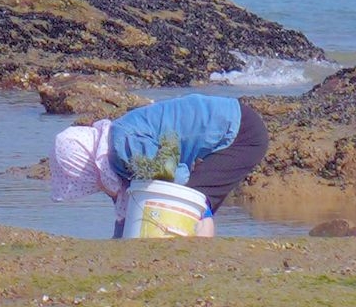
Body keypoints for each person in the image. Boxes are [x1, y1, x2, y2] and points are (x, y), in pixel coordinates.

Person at [49, 89, 270, 235]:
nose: (93, 186)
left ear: (86, 166)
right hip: (236, 120)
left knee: (189, 206)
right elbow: (129, 211)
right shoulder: (115, 144)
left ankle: (201, 255)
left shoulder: (122, 149)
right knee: (190, 205)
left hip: (240, 133)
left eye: (84, 180)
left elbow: (174, 175)